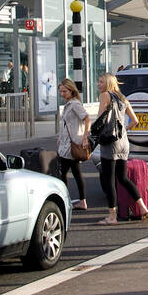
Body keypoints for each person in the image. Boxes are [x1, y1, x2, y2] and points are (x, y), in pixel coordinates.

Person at [94, 73, 148, 224]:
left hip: (110, 143)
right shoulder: (123, 97)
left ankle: (112, 216)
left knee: (109, 179)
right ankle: (142, 207)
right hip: (123, 142)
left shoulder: (105, 96)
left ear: (108, 83)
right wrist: (123, 129)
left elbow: (100, 120)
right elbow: (135, 120)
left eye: (100, 82)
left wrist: (90, 137)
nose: (98, 84)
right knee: (123, 178)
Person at [56, 78, 90, 210]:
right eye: (60, 91)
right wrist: (60, 137)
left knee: (61, 172)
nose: (62, 94)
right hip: (66, 144)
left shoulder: (75, 104)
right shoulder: (68, 104)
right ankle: (81, 200)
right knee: (75, 173)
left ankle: (66, 200)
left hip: (72, 145)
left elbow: (87, 119)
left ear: (71, 90)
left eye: (64, 91)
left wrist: (85, 137)